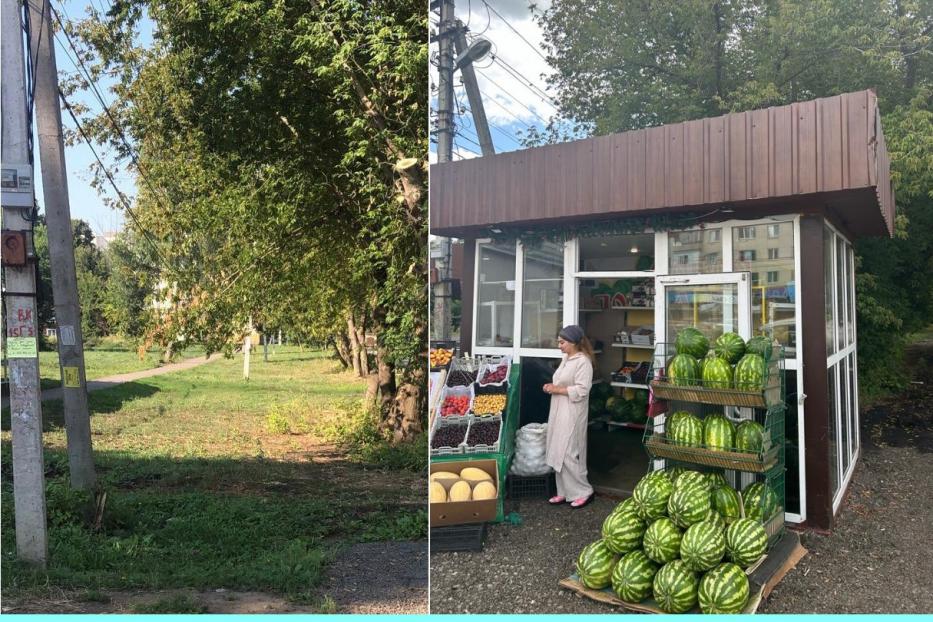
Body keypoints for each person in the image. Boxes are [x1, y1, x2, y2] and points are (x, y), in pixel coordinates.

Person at [543, 324, 596, 508]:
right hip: (559, 409)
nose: (560, 346)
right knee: (558, 449)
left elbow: (582, 389)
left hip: (573, 412)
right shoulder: (567, 358)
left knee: (569, 452)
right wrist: (552, 386)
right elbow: (562, 381)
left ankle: (583, 491)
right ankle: (564, 492)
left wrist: (557, 389)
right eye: (559, 342)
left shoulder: (584, 362)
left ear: (573, 342)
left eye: (562, 342)